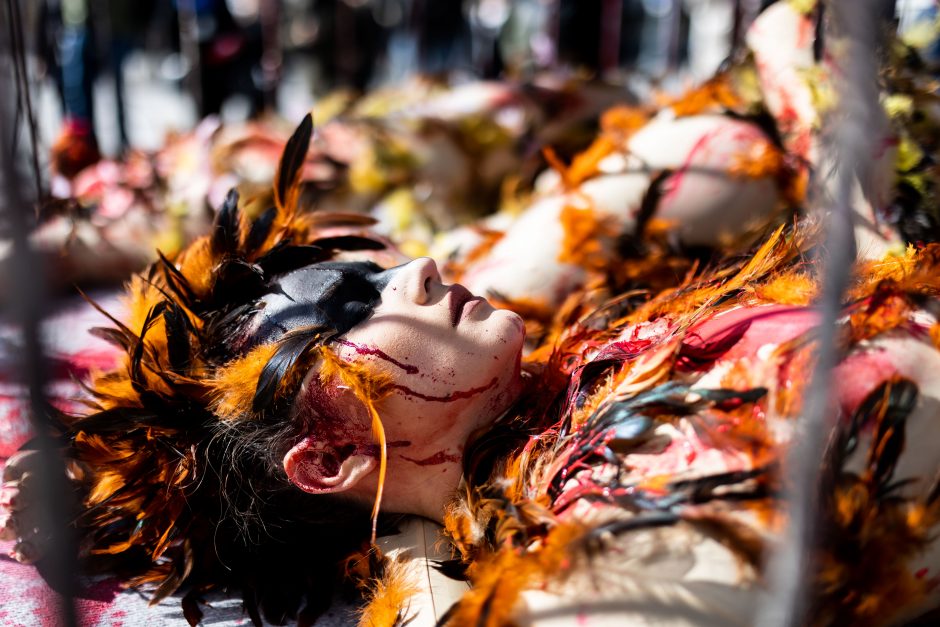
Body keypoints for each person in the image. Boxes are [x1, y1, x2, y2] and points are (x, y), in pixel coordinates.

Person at [4, 108, 940, 625]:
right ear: (327, 461)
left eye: (368, 276)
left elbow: (722, 147)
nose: (421, 267)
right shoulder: (591, 515)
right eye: (348, 306)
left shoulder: (530, 384)